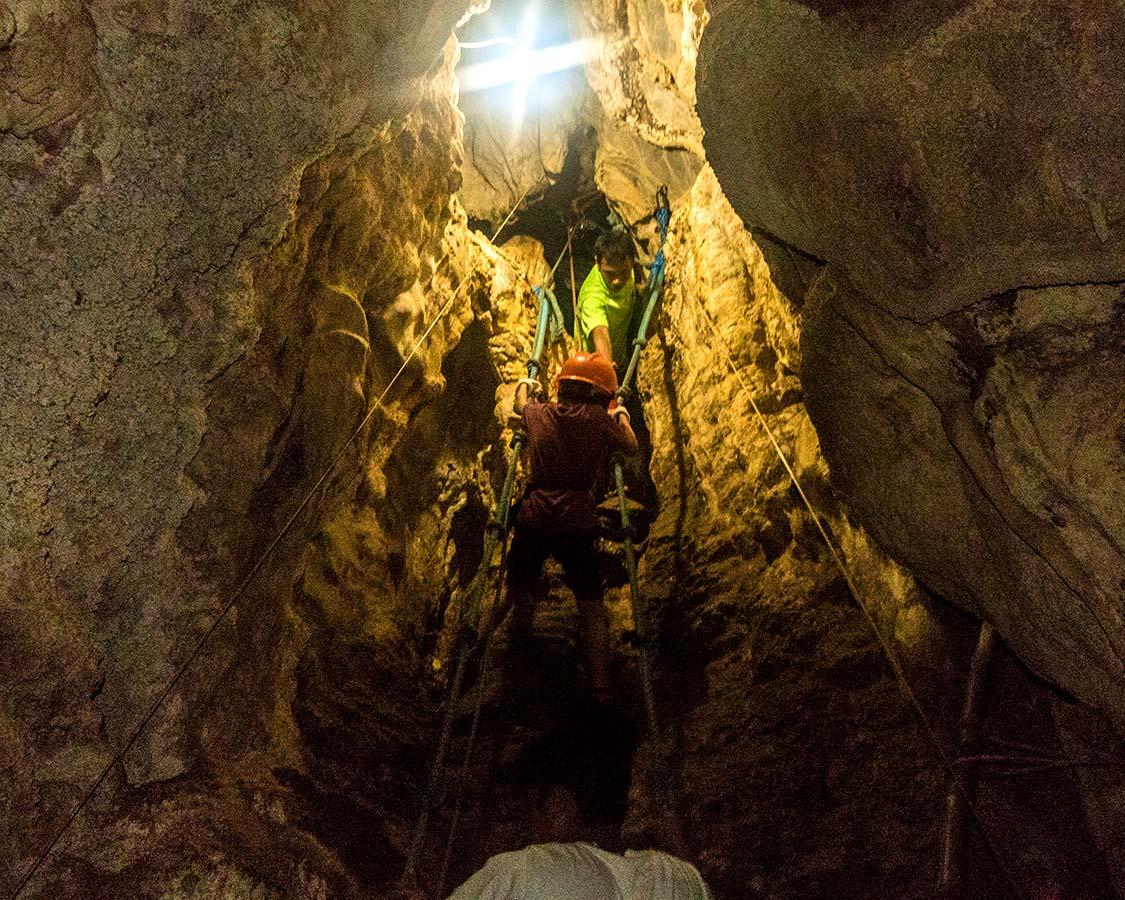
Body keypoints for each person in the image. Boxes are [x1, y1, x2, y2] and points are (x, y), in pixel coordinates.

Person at [506, 351, 637, 702]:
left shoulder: (541, 412)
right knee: (591, 605)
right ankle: (602, 687)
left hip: (535, 515)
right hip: (577, 518)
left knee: (517, 584)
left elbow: (520, 407)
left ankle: (513, 638)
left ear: (561, 386)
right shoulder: (598, 419)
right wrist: (619, 414)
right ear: (600, 394)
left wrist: (524, 384)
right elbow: (630, 445)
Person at [576, 230, 644, 374]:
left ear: (632, 261)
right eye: (610, 273)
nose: (617, 280)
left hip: (621, 360)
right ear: (597, 263)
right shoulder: (592, 296)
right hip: (592, 369)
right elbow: (600, 332)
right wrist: (606, 366)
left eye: (623, 272)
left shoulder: (629, 270)